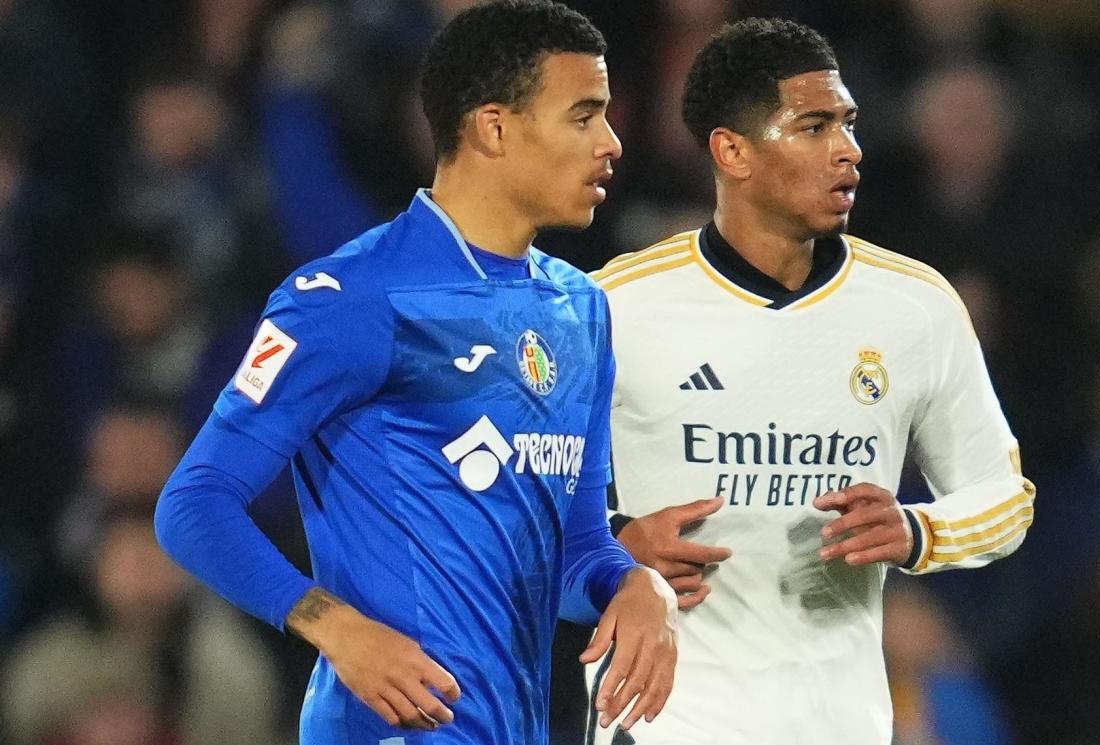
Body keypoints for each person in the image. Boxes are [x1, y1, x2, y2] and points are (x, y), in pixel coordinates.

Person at [154, 2, 678, 743]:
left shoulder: (580, 309)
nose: (612, 142)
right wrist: (332, 626)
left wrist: (634, 583)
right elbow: (193, 504)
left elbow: (573, 548)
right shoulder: (353, 297)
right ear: (494, 127)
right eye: (584, 116)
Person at [586, 18, 1033, 744]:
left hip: (839, 720)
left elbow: (1006, 499)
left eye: (849, 124)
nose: (848, 150)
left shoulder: (915, 307)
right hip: (663, 720)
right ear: (731, 150)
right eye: (814, 126)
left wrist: (920, 529)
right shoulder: (615, 305)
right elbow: (516, 486)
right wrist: (612, 539)